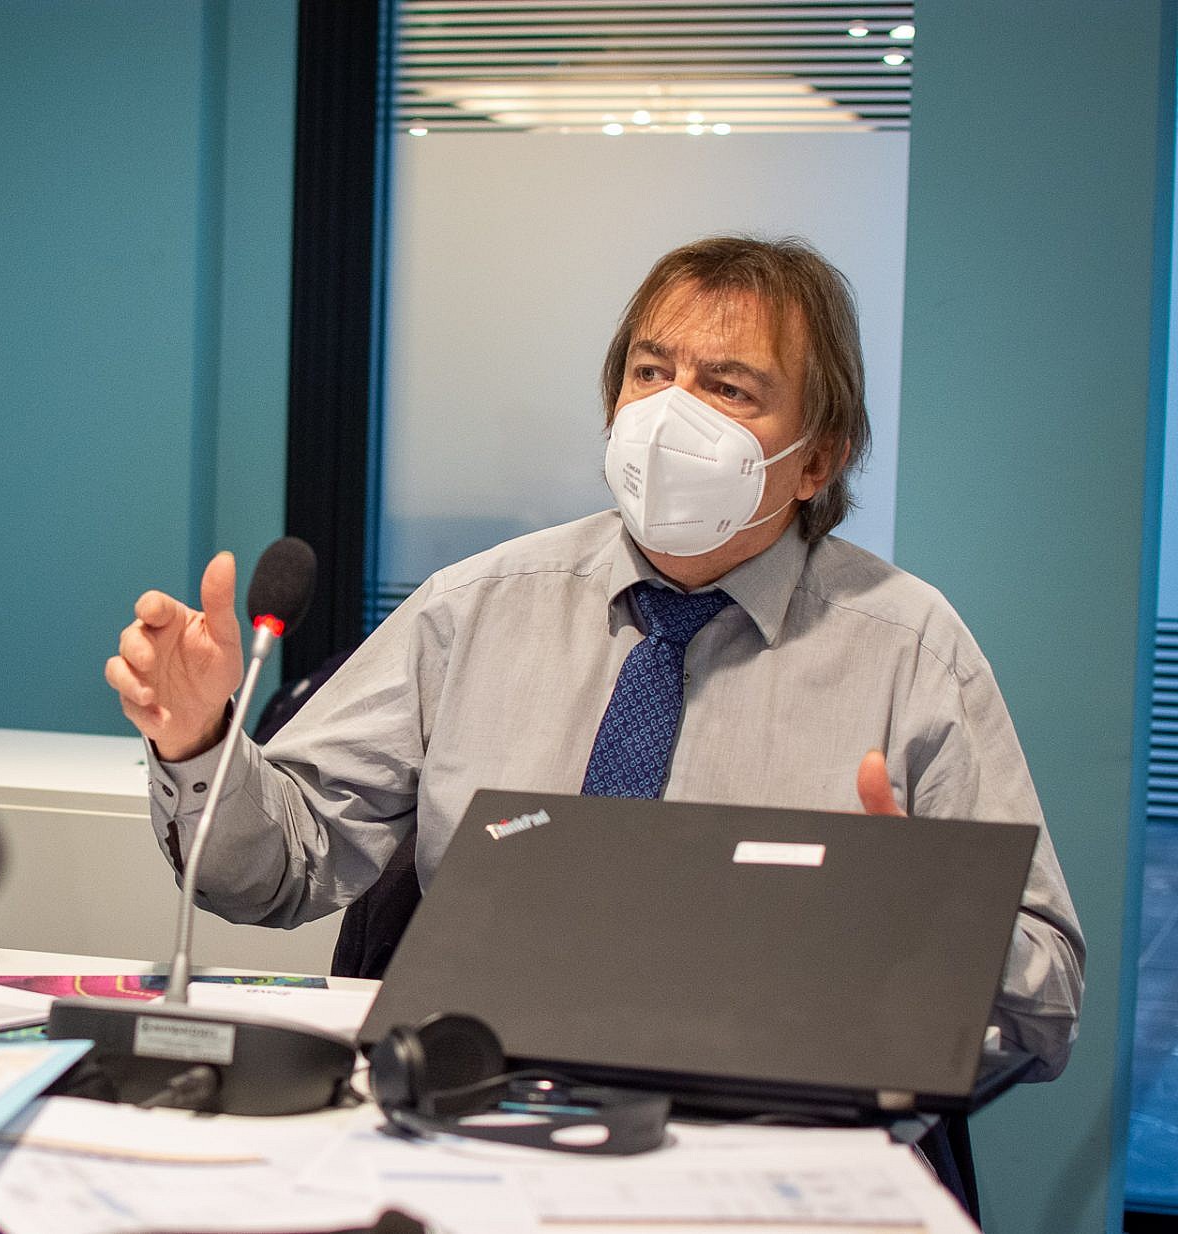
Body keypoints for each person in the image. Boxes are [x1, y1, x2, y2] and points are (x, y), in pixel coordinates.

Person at [107, 235, 1084, 1082]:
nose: (670, 416)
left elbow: (1047, 1010)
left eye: (728, 388)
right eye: (650, 373)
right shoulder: (473, 607)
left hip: (767, 1118)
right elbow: (277, 869)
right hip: (477, 1101)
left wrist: (932, 920)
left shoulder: (911, 652)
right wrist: (200, 744)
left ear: (816, 460)